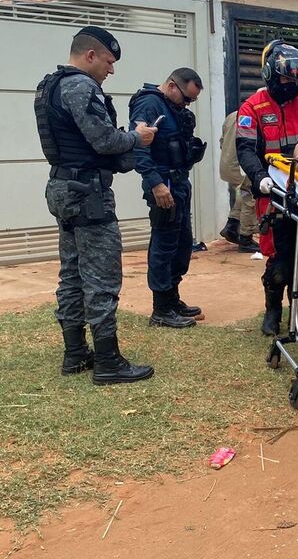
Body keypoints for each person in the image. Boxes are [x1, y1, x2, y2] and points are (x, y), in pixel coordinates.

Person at [35, 26, 157, 385]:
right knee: (101, 277)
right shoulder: (80, 86)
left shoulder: (50, 85)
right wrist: (138, 137)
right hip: (87, 192)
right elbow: (104, 140)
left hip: (63, 186)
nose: (111, 70)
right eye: (109, 61)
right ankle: (108, 361)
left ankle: (75, 354)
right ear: (90, 55)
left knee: (71, 273)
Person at [236, 40, 298, 337]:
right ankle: (273, 311)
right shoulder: (253, 107)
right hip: (271, 193)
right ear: (270, 74)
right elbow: (246, 149)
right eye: (288, 78)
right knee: (279, 263)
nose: (294, 85)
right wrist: (260, 176)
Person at [128, 69, 207, 328]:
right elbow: (139, 147)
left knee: (182, 243)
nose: (187, 105)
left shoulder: (172, 109)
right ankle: (160, 309)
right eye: (186, 99)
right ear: (172, 86)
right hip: (164, 183)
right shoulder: (149, 104)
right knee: (164, 245)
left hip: (179, 182)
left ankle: (172, 300)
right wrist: (156, 184)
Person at [219, 110, 261, 253]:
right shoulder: (254, 116)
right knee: (250, 196)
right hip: (240, 166)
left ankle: (232, 226)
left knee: (243, 194)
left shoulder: (232, 115)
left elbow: (222, 141)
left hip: (227, 164)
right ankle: (245, 238)